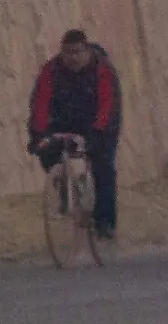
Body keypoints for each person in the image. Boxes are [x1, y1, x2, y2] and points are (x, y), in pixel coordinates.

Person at [26, 30, 124, 242]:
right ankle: (66, 191)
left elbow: (108, 106)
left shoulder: (102, 70)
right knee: (48, 153)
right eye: (67, 52)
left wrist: (97, 136)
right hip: (64, 121)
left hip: (99, 121)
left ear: (87, 50)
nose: (73, 57)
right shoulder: (51, 71)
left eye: (77, 52)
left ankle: (105, 222)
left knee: (103, 165)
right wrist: (38, 135)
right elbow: (40, 104)